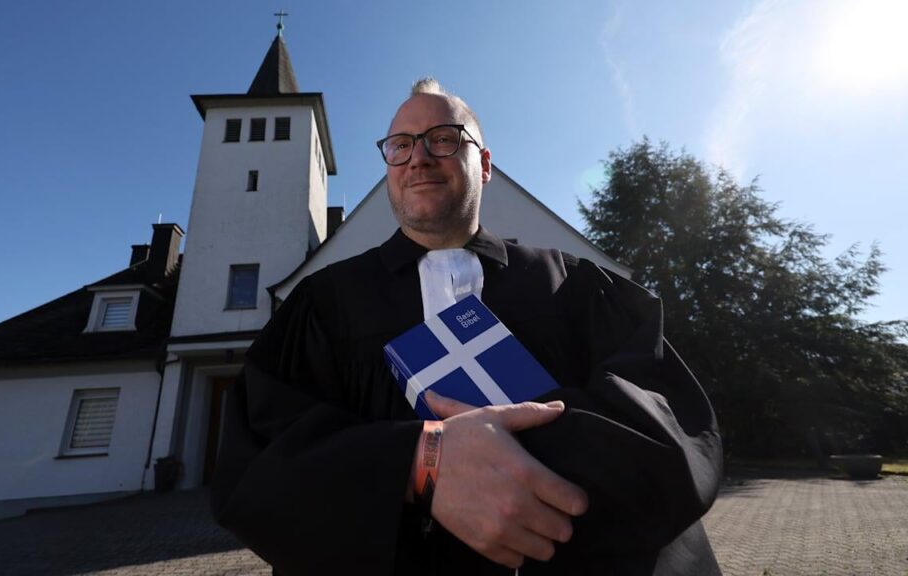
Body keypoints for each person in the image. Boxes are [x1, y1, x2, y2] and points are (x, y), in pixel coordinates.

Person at [210, 78, 723, 575]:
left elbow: (671, 434)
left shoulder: (578, 287)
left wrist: (515, 459)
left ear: (484, 163)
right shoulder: (321, 306)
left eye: (443, 138)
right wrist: (418, 461)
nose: (418, 157)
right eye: (400, 144)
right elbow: (257, 466)